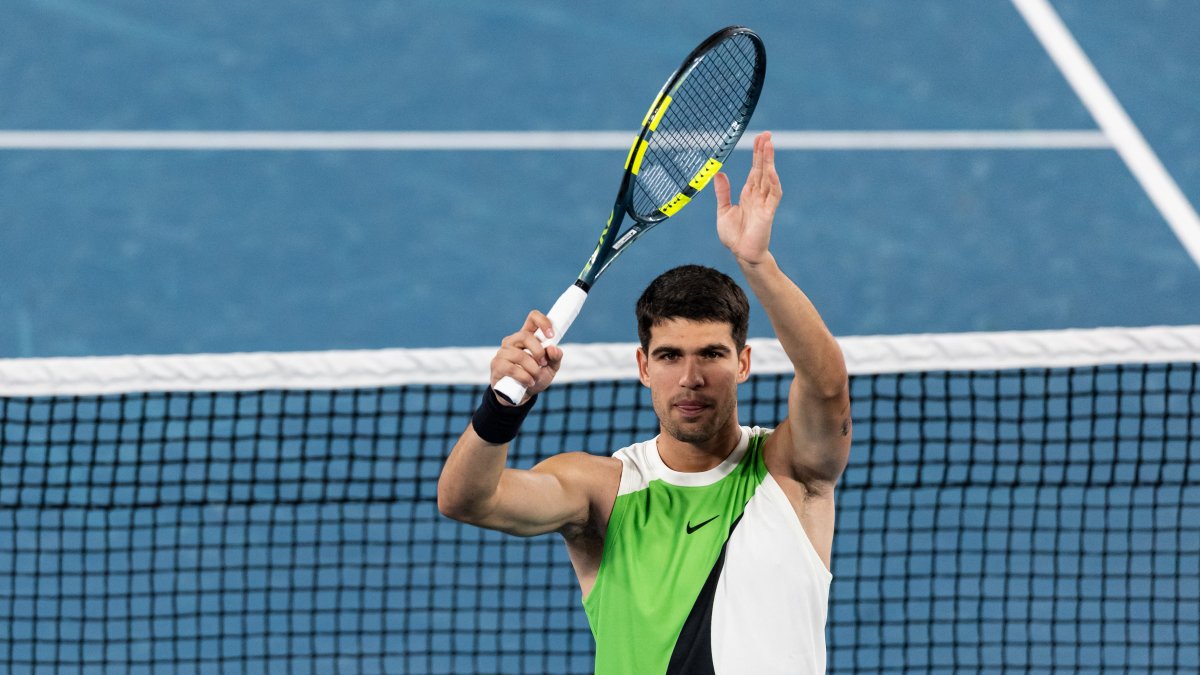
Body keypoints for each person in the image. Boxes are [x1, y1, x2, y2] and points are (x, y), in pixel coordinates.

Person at [438, 131, 851, 674]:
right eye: (669, 356)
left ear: (744, 363)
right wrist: (503, 405)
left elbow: (825, 387)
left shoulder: (792, 473)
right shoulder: (602, 492)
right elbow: (468, 500)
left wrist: (758, 265)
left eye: (711, 355)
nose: (691, 378)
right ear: (643, 367)